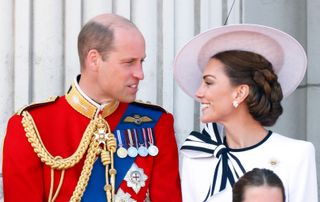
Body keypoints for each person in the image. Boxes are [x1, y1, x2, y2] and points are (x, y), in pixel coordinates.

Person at [2, 13, 182, 202]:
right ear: (94, 59)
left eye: (141, 61)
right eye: (129, 62)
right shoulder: (31, 126)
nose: (140, 74)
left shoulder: (155, 123)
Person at [173, 24, 317, 202]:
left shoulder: (297, 154)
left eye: (209, 83)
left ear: (240, 92)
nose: (198, 93)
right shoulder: (195, 157)